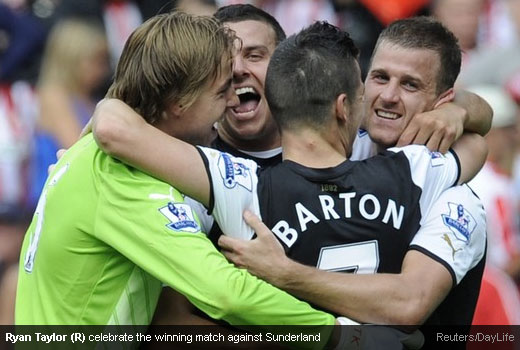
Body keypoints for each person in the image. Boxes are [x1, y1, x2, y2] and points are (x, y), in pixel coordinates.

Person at [91, 17, 487, 332]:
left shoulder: (242, 188)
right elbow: (477, 147)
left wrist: (285, 275)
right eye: (379, 78)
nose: (387, 96)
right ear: (349, 101)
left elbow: (409, 302)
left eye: (411, 85)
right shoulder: (423, 172)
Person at [15, 12, 339, 339]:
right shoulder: (127, 180)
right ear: (178, 101)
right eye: (221, 91)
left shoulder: (97, 155)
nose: (231, 100)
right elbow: (226, 294)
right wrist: (337, 335)